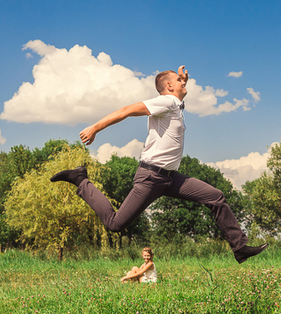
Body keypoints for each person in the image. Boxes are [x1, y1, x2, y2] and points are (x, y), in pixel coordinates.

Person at [51, 65, 267, 264]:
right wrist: (95, 127)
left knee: (215, 196)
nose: (184, 83)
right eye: (178, 80)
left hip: (171, 178)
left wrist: (183, 81)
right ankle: (81, 180)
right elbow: (127, 110)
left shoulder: (175, 105)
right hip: (151, 177)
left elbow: (178, 96)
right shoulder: (167, 101)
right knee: (115, 224)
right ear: (168, 86)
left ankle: (239, 247)